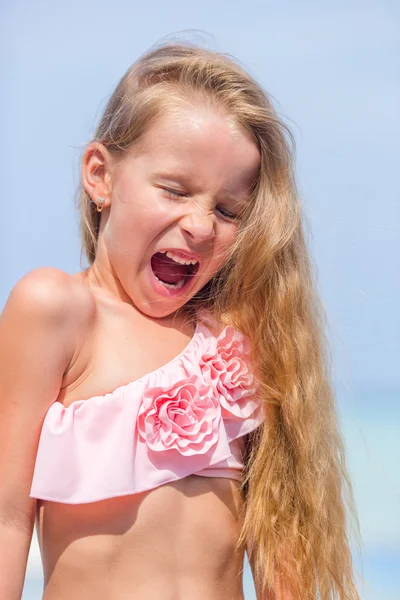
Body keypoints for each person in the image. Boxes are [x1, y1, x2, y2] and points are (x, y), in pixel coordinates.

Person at [0, 42, 361, 600]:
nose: (199, 225)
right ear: (101, 176)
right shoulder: (59, 310)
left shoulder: (238, 338)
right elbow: (7, 516)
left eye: (227, 210)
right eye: (174, 190)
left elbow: (281, 538)